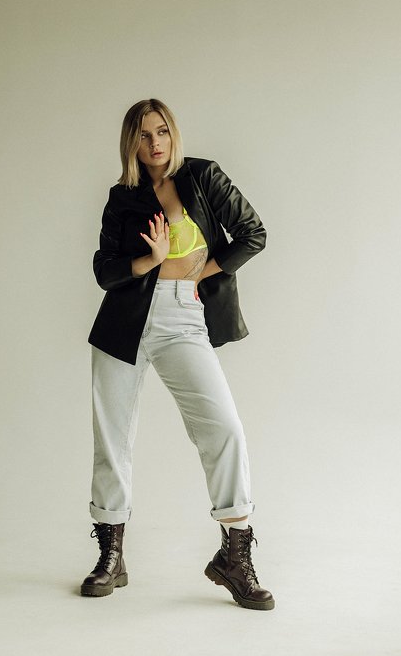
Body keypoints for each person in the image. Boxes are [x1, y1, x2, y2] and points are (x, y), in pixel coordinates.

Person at [81, 98, 274, 611]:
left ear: (173, 132)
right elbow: (105, 271)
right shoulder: (123, 198)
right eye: (143, 135)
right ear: (131, 143)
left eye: (161, 131)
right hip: (124, 323)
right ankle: (112, 556)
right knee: (113, 439)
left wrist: (200, 271)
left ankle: (235, 553)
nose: (155, 143)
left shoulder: (204, 177)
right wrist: (150, 259)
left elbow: (253, 234)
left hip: (182, 319)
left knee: (223, 428)